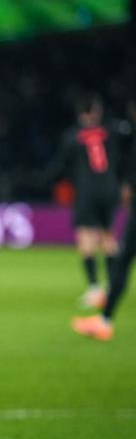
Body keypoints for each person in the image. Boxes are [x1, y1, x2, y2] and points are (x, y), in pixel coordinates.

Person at [44, 94, 130, 308]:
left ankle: (94, 289)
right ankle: (113, 286)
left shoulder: (73, 136)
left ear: (81, 114)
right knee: (109, 237)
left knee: (86, 238)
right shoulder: (111, 132)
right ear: (97, 111)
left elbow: (59, 167)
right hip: (110, 189)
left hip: (87, 191)